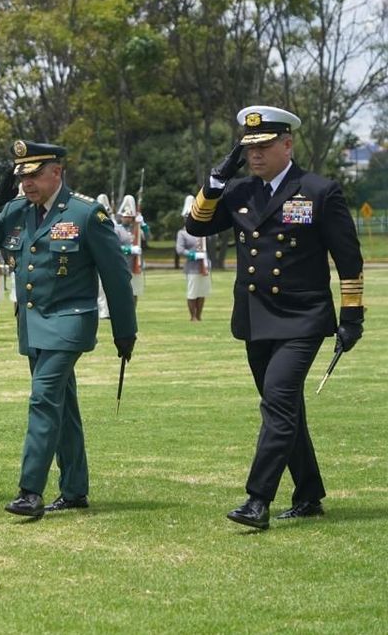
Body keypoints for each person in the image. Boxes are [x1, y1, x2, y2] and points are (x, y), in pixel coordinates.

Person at [186, 105, 364, 530]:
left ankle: (256, 499)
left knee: (278, 404)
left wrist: (352, 315)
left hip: (303, 317)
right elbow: (196, 226)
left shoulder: (319, 191)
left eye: (264, 146)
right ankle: (308, 493)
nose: (255, 155)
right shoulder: (239, 193)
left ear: (287, 144)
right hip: (255, 317)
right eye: (249, 149)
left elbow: (349, 259)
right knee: (286, 410)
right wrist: (215, 181)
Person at [0, 141, 136, 518]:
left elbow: (116, 275)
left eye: (34, 175)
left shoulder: (86, 214)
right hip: (34, 323)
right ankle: (74, 489)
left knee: (43, 399)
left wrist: (124, 328)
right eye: (21, 176)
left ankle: (30, 490)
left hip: (69, 321)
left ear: (56, 172)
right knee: (63, 406)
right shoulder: (15, 211)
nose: (26, 183)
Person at [175, 194, 211, 321]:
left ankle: (199, 315)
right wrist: (193, 255)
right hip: (192, 267)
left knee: (202, 292)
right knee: (192, 292)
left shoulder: (203, 231)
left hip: (204, 266)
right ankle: (193, 316)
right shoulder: (182, 233)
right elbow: (179, 250)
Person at [116, 195, 145, 305]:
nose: (127, 218)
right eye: (125, 216)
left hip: (135, 264)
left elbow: (148, 237)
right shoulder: (117, 230)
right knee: (124, 292)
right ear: (121, 217)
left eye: (130, 216)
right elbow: (115, 247)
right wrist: (129, 250)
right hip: (123, 264)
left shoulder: (136, 229)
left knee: (135, 291)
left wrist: (143, 224)